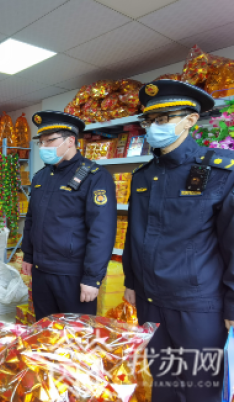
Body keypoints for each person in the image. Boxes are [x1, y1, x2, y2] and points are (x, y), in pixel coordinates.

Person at [123, 80, 234, 401]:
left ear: (190, 120)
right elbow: (135, 234)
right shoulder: (143, 176)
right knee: (162, 383)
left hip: (198, 305)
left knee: (199, 388)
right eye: (149, 121)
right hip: (150, 302)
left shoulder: (221, 171)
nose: (153, 128)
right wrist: (131, 280)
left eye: (162, 119)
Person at [21, 111, 117, 319]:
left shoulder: (95, 176)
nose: (44, 147)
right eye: (41, 142)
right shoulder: (40, 177)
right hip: (41, 270)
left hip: (72, 274)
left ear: (71, 140)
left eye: (50, 141)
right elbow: (31, 220)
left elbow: (102, 231)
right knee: (45, 329)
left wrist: (92, 278)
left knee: (75, 334)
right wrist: (28, 255)